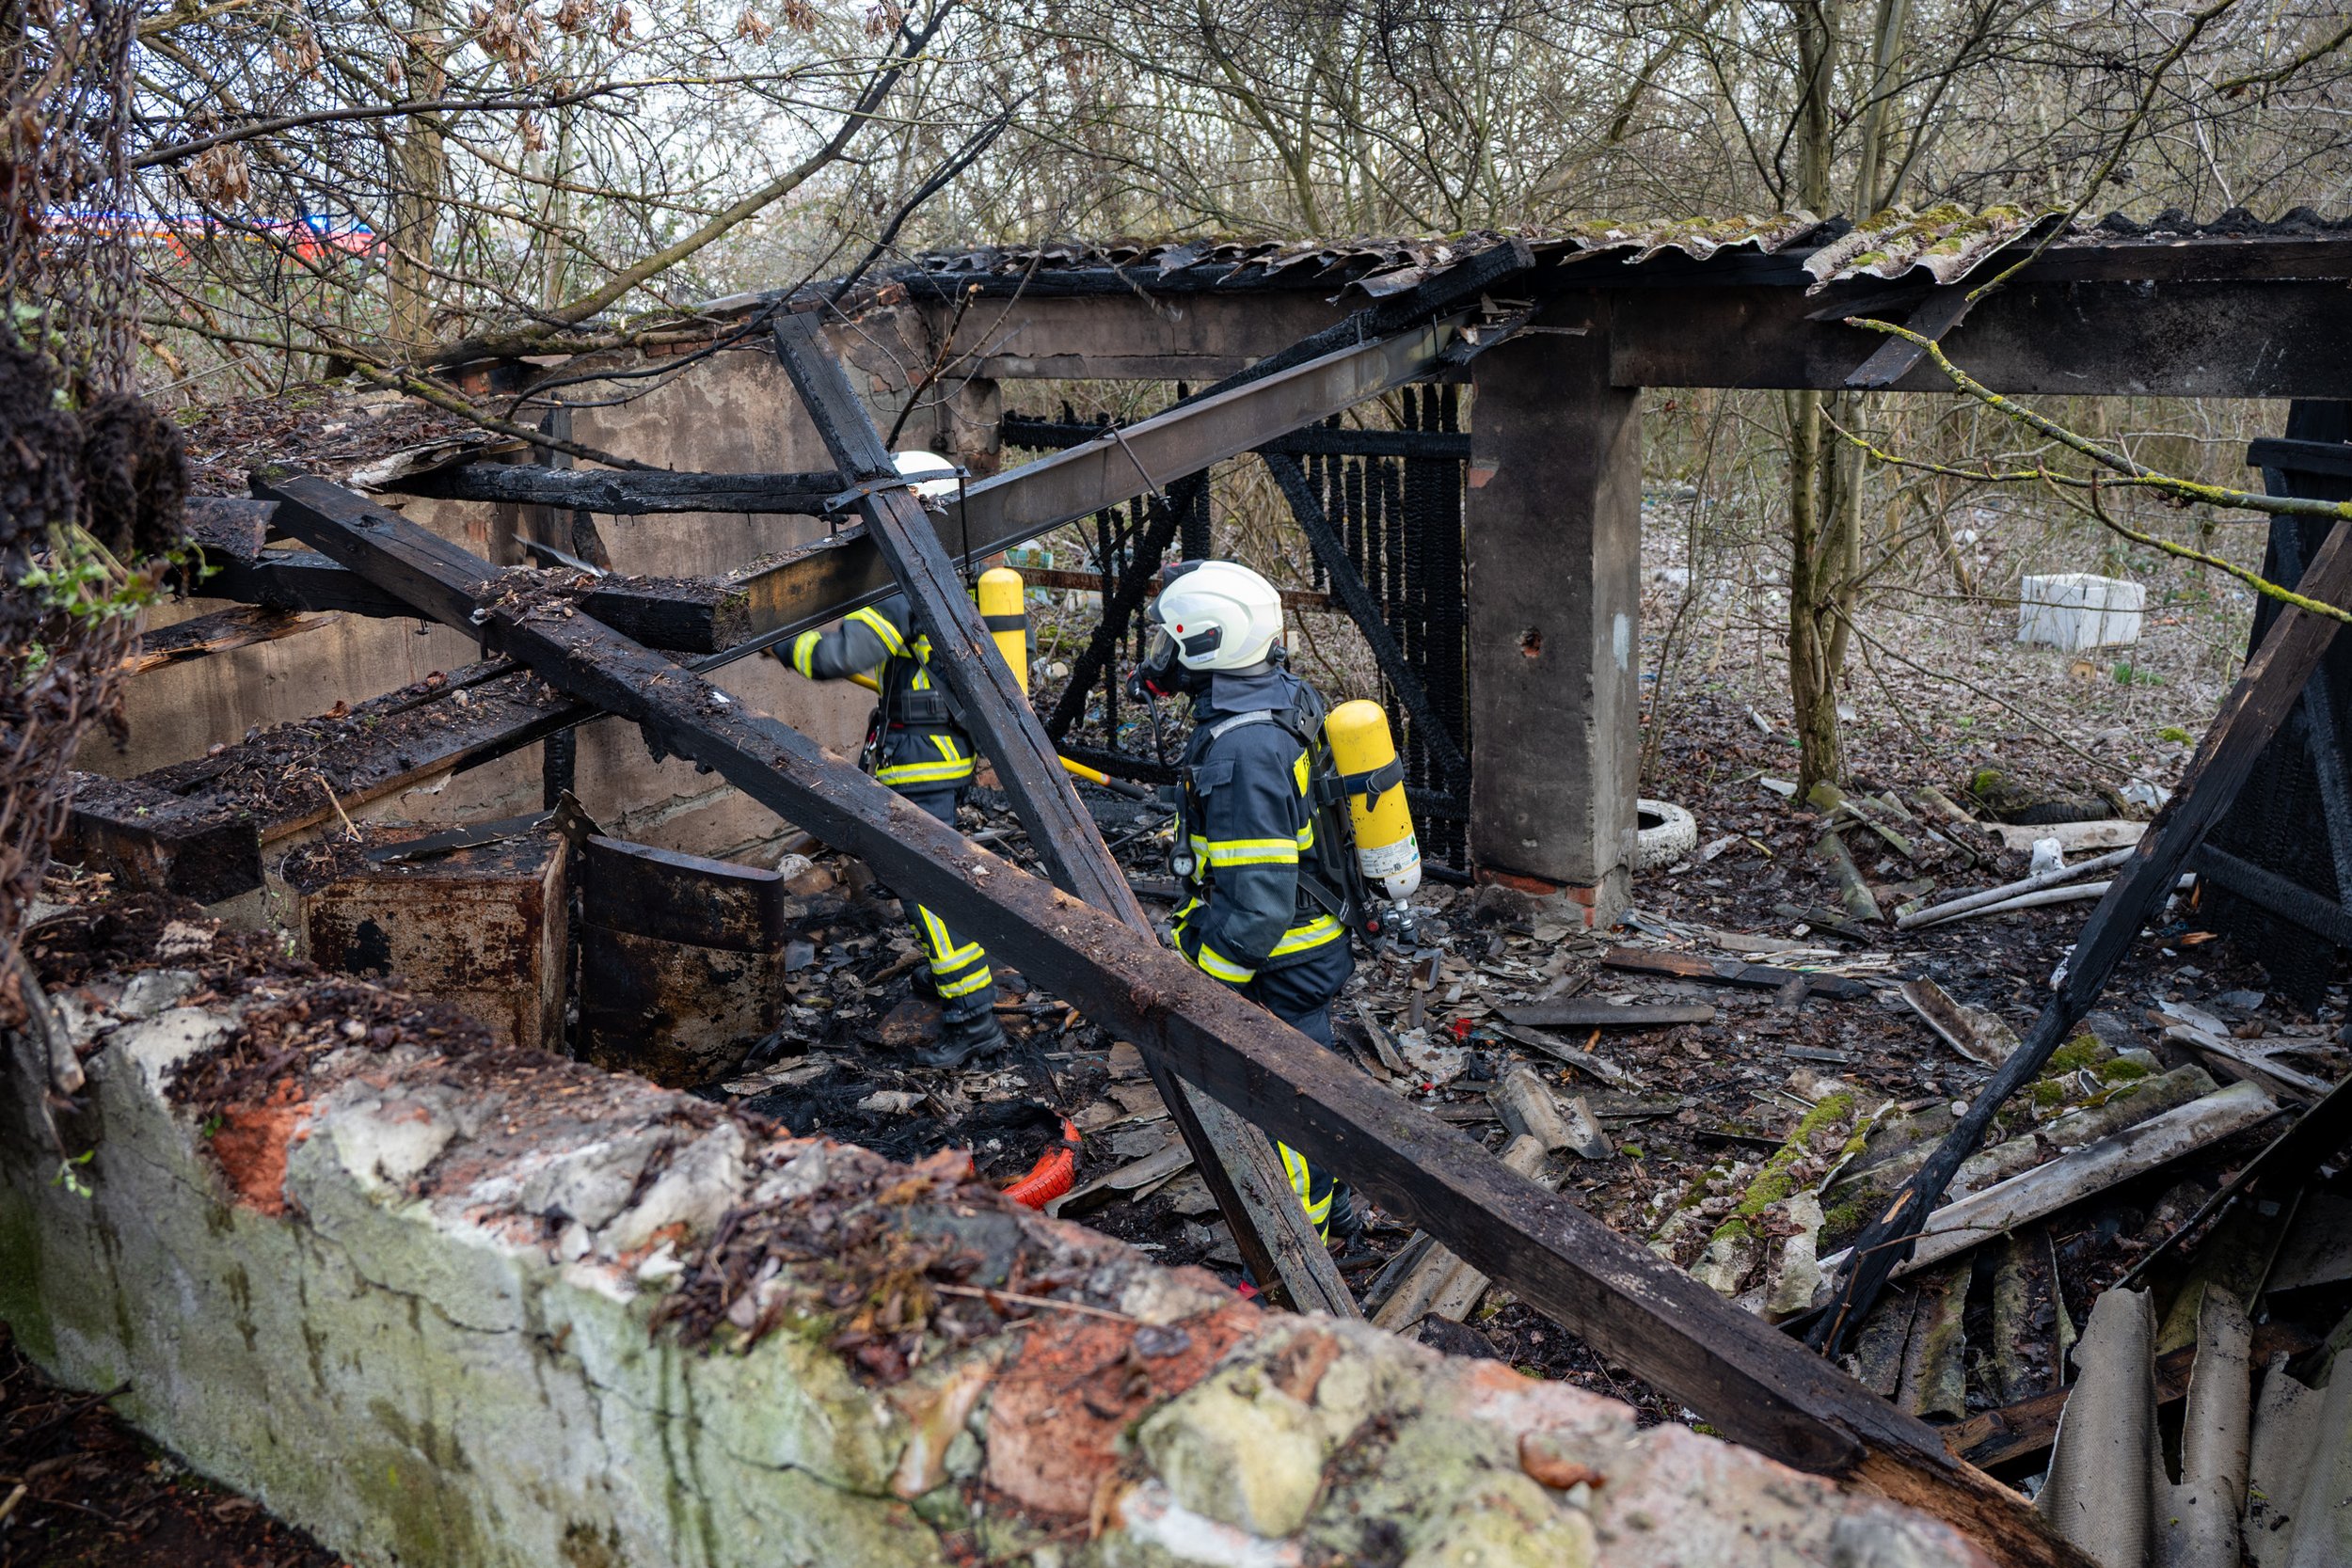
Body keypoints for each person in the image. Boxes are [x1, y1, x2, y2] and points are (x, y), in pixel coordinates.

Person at [1134, 559, 1359, 1243]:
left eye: (1172, 641)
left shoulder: (1244, 751)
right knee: (1311, 1079)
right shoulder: (1278, 695)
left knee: (1280, 1107)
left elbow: (1256, 907)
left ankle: (1296, 1261)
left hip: (1278, 956)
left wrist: (1205, 984)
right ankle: (1340, 1207)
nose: (1162, 658)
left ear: (1209, 641)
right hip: (1306, 941)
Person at [782, 452, 1008, 1069]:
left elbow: (834, 657)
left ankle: (974, 1020)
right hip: (935, 753)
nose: (861, 529)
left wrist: (777, 635)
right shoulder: (943, 574)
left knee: (929, 894)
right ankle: (952, 987)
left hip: (920, 761)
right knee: (936, 882)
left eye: (870, 516)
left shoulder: (903, 588)